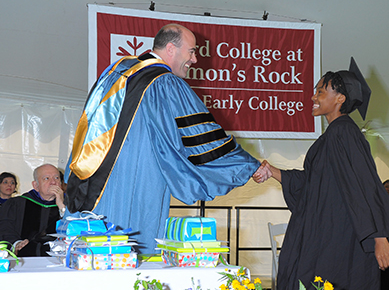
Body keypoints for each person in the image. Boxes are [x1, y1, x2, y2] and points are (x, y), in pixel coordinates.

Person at [64, 24, 260, 253]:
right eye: (191, 51)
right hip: (134, 182)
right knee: (127, 259)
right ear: (170, 49)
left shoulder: (117, 70)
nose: (195, 59)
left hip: (92, 180)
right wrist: (248, 165)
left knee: (91, 257)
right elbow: (200, 140)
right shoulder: (164, 82)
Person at [253, 58, 389, 290]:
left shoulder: (345, 132)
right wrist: (273, 171)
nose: (313, 97)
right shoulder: (332, 135)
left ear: (340, 98)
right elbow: (313, 183)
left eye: (320, 91)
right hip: (323, 233)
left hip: (341, 236)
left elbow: (365, 184)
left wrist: (379, 237)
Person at [0, 164, 65, 256]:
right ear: (36, 185)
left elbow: (75, 231)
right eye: (47, 178)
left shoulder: (70, 207)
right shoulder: (16, 204)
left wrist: (62, 206)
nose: (53, 182)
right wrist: (16, 243)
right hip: (23, 258)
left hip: (59, 259)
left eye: (57, 178)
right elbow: (5, 228)